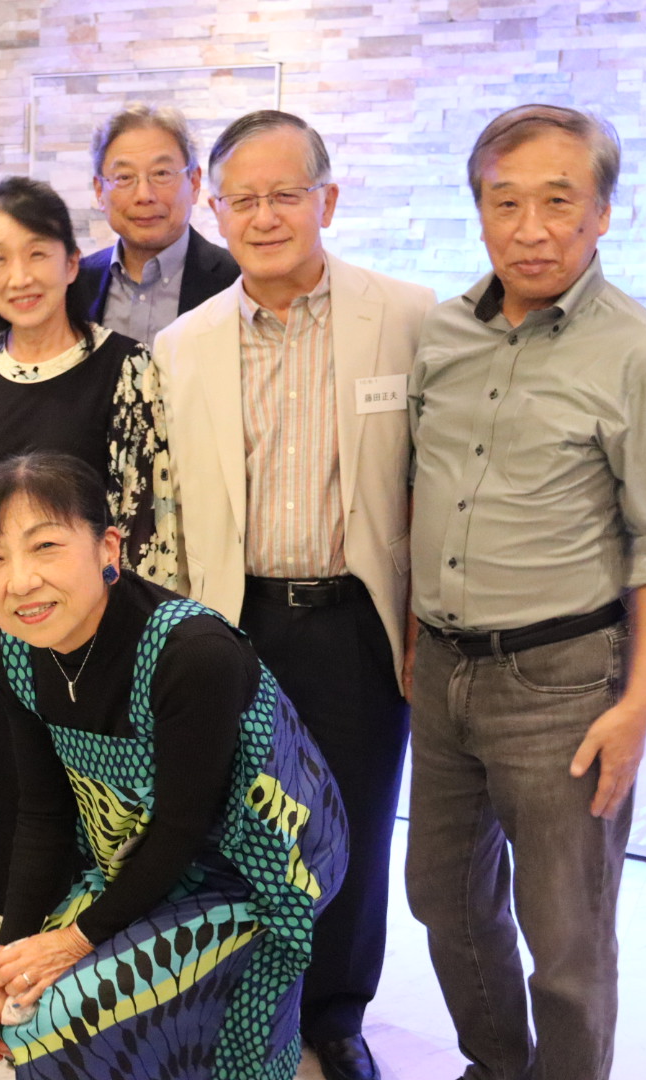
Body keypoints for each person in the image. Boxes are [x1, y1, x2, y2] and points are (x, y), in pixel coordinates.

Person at [406, 104, 646, 1080]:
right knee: (443, 897)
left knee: (567, 941)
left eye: (558, 202)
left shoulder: (640, 352)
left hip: (563, 683)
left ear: (601, 213)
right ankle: (497, 1066)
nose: (530, 228)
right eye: (506, 202)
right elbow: (422, 488)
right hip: (443, 669)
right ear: (480, 211)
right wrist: (413, 634)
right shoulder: (443, 332)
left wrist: (638, 707)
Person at [152, 110, 436, 1080]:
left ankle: (337, 1015)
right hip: (234, 624)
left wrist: (416, 625)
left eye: (286, 194)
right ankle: (246, 1003)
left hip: (358, 621)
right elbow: (171, 513)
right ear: (214, 209)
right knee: (238, 825)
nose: (264, 217)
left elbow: (430, 481)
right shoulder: (182, 345)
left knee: (351, 828)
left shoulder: (408, 317)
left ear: (329, 199)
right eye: (243, 199)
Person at [0, 452, 347, 1080]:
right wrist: (7, 963)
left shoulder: (190, 652)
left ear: (108, 548)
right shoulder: (15, 650)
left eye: (45, 546)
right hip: (139, 856)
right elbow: (44, 813)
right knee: (22, 1008)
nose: (19, 581)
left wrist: (72, 941)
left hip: (259, 867)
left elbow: (183, 825)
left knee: (55, 1021)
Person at [0, 175, 177, 933]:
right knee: (9, 823)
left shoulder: (127, 365)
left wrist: (127, 646)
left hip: (97, 642)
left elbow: (146, 519)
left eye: (37, 253)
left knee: (96, 836)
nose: (19, 276)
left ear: (73, 262)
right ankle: (15, 970)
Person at [65, 103, 240, 346]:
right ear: (99, 191)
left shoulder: (238, 281)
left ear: (194, 182)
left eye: (161, 173)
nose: (144, 195)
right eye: (124, 177)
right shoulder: (73, 283)